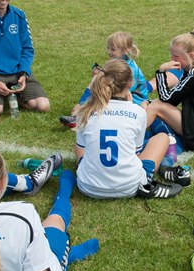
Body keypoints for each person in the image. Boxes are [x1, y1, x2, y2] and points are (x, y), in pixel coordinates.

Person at [75, 59, 187, 199]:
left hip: (87, 186)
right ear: (130, 83)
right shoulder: (137, 112)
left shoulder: (85, 111)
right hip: (129, 187)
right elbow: (136, 153)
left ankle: (88, 170)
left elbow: (81, 147)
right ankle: (146, 180)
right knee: (162, 138)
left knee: (81, 146)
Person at [60, 31, 149, 129]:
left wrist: (100, 81)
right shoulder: (117, 63)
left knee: (99, 88)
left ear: (125, 51)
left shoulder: (130, 68)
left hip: (135, 102)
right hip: (122, 97)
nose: (109, 52)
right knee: (97, 82)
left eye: (113, 49)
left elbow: (124, 89)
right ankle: (80, 113)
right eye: (108, 48)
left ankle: (80, 114)